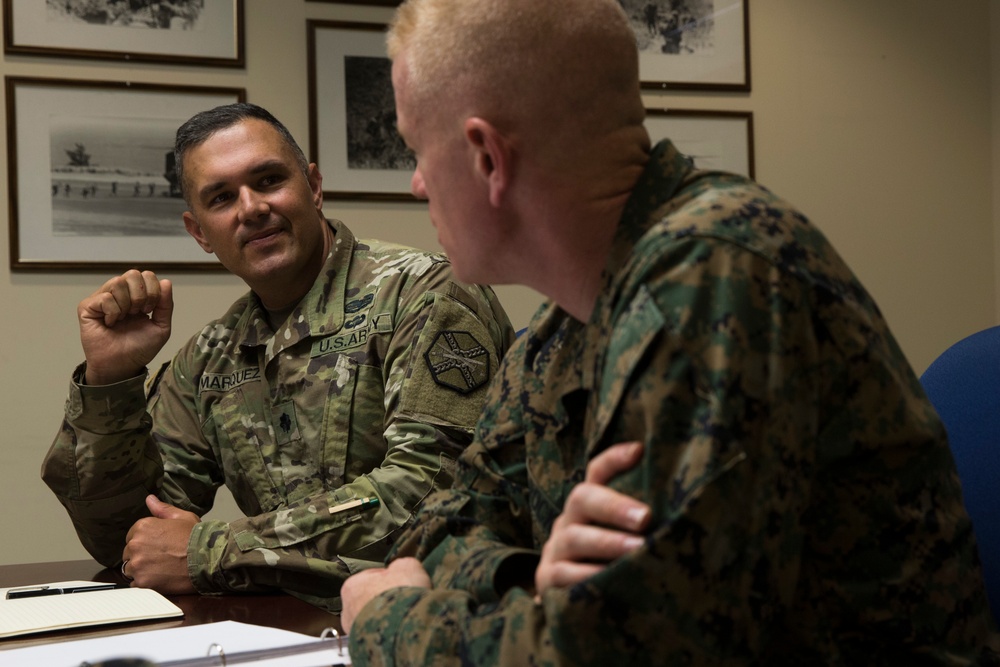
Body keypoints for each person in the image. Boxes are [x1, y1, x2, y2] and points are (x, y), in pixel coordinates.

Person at [338, 0, 1000, 663]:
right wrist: (526, 575)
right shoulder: (557, 332)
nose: (419, 183)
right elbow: (437, 530)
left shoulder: (716, 275)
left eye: (416, 149)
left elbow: (632, 652)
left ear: (487, 157)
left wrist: (390, 623)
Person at [42, 102, 515, 610]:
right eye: (221, 197)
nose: (250, 208)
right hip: (288, 631)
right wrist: (111, 380)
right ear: (199, 231)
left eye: (268, 180)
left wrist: (218, 552)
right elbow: (133, 543)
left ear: (312, 187)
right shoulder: (211, 357)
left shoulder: (425, 293)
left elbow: (430, 496)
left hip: (450, 623)